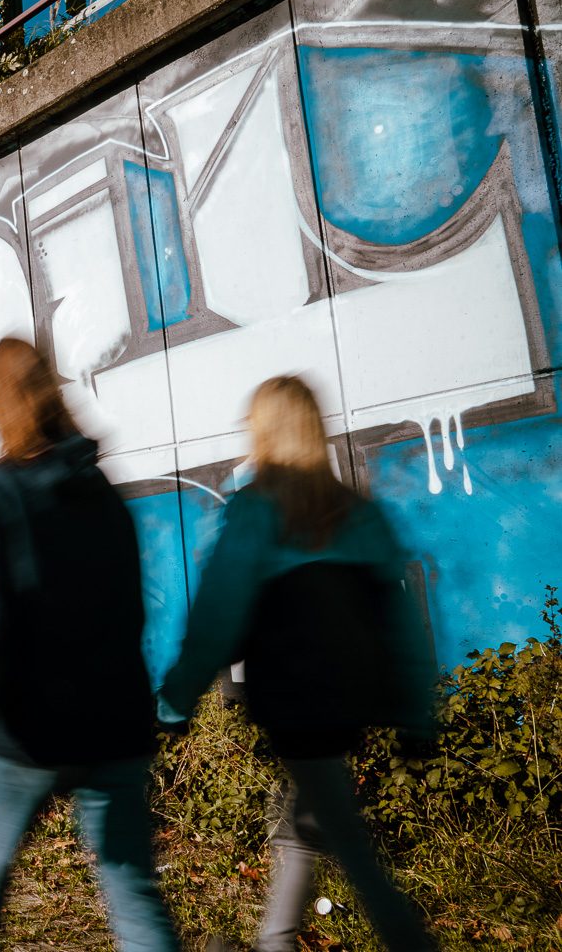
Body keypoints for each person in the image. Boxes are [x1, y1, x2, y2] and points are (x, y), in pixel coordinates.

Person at [157, 375, 436, 952]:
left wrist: (174, 701)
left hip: (293, 702)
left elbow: (216, 619)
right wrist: (415, 713)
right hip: (350, 702)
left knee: (352, 849)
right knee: (306, 811)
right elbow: (401, 622)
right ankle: (275, 940)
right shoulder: (358, 514)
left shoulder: (257, 513)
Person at [0, 337, 178, 952]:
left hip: (27, 732)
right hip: (115, 726)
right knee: (131, 891)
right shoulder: (101, 490)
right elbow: (131, 610)